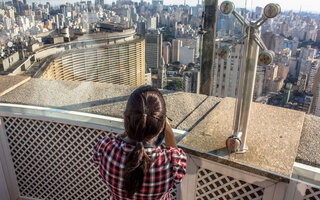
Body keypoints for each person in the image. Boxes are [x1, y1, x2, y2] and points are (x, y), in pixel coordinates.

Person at [93, 86, 187, 200]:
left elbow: (98, 159)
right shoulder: (172, 161)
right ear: (162, 126)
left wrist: (136, 124)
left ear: (125, 118)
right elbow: (175, 153)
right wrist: (166, 126)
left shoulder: (105, 147)